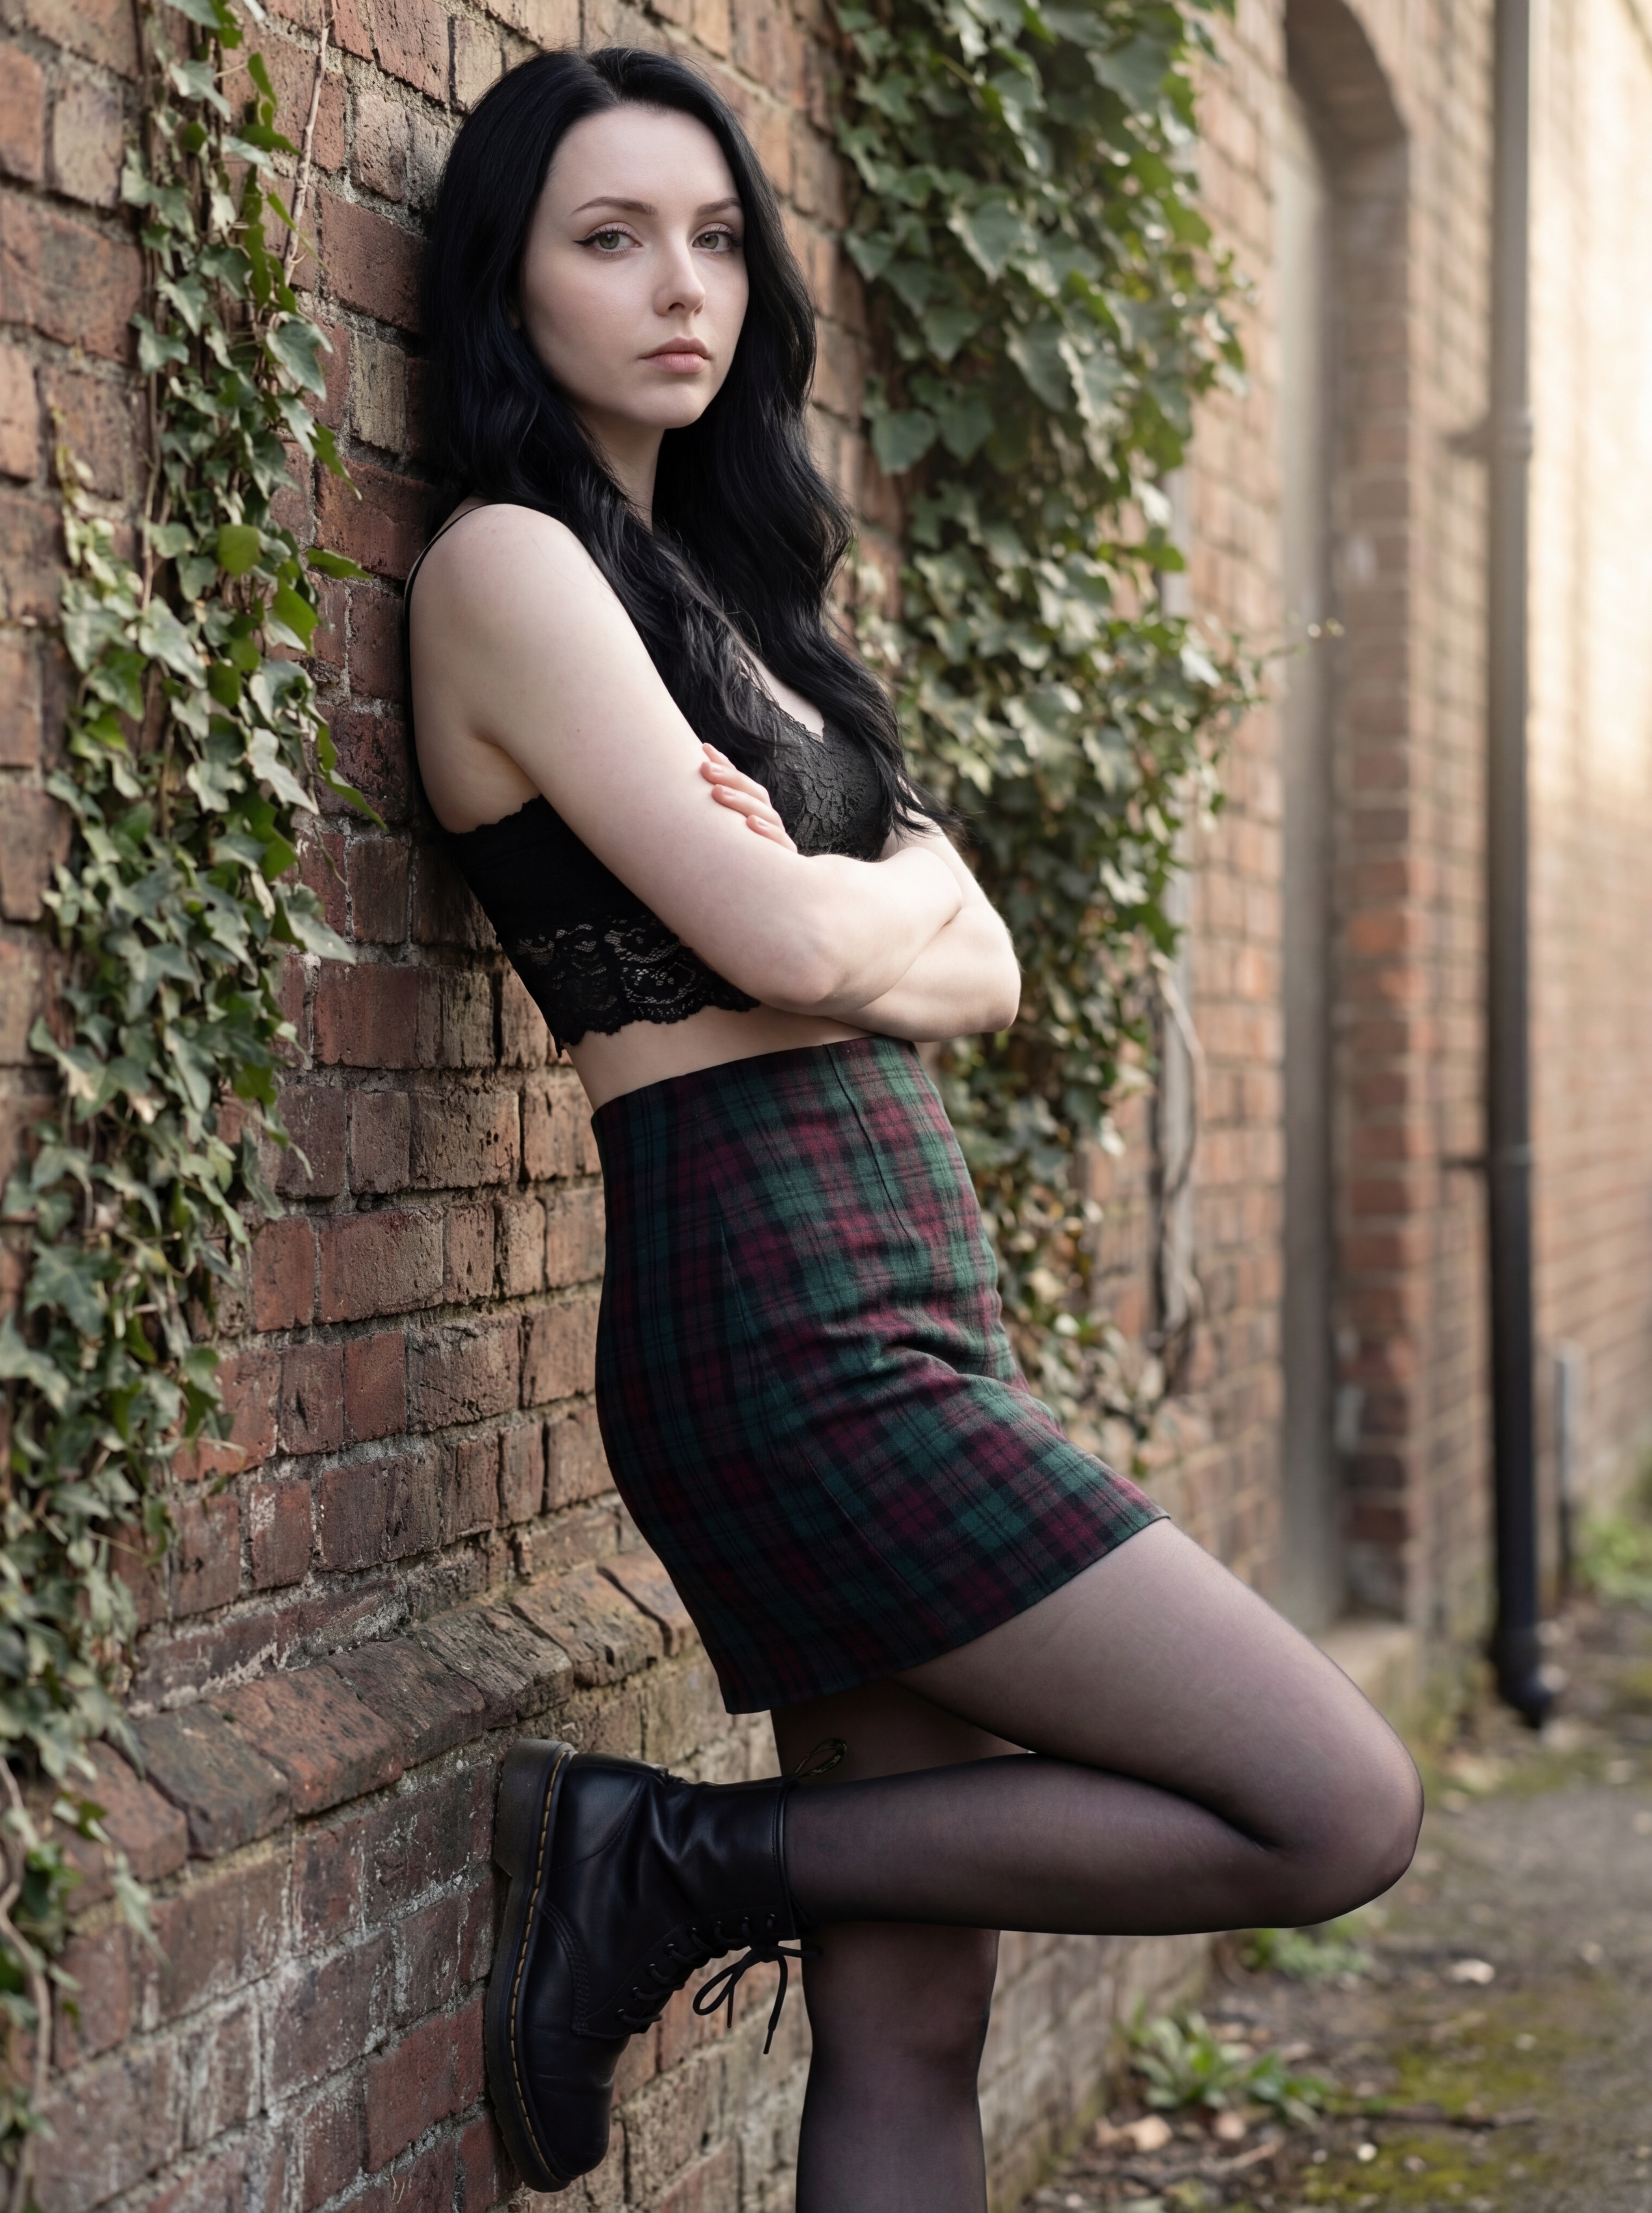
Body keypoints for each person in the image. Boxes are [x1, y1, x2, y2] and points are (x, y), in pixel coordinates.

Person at [405, 46, 1422, 2212]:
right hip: (779, 1333)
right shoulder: (505, 569)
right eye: (608, 240)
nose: (682, 286)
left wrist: (851, 922)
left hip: (893, 1307)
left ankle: (681, 1862)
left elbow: (988, 965)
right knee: (1333, 1805)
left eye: (711, 237)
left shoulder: (750, 627)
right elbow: (790, 939)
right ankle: (665, 1856)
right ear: (508, 287)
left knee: (906, 2017)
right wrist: (865, 919)